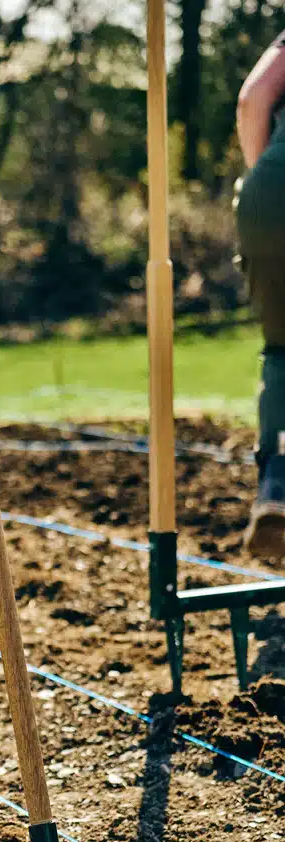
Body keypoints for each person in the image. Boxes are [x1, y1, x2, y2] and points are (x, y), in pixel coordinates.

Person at [236, 31, 285, 557]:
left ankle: (278, 486)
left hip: (271, 191)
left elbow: (253, 98)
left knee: (283, 344)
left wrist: (262, 176)